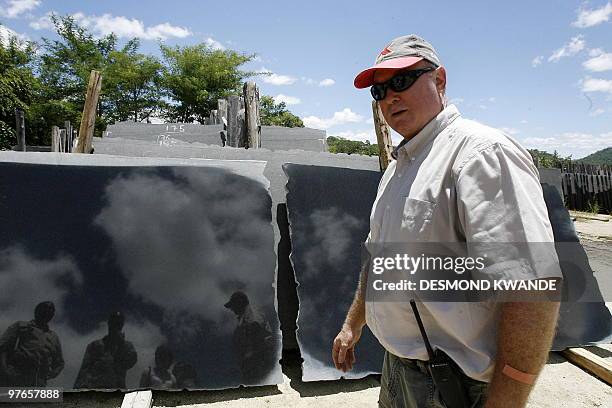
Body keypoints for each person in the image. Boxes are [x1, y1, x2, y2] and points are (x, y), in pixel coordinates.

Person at [332, 35, 562, 408]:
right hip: (400, 371)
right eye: (380, 90)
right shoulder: (398, 169)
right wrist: (352, 324)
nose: (390, 96)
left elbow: (532, 287)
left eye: (402, 80)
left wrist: (507, 400)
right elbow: (380, 259)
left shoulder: (482, 154)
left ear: (439, 81)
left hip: (459, 384)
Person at [0, 301, 64, 386]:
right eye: (45, 308)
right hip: (16, 375)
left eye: (51, 310)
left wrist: (50, 374)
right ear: (37, 311)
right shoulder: (21, 326)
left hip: (38, 383)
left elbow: (59, 362)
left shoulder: (53, 337)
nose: (48, 312)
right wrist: (5, 370)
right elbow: (3, 347)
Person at [74, 312, 137, 389]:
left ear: (122, 326)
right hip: (96, 389)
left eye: (119, 324)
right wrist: (78, 389)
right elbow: (84, 370)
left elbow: (131, 362)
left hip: (117, 389)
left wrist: (121, 345)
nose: (116, 326)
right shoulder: (95, 345)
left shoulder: (127, 346)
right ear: (109, 324)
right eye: (113, 323)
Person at [224, 291, 277, 384]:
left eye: (233, 305)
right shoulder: (242, 319)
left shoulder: (251, 313)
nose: (232, 309)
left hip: (260, 359)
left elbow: (256, 329)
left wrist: (251, 353)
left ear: (240, 303)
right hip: (252, 363)